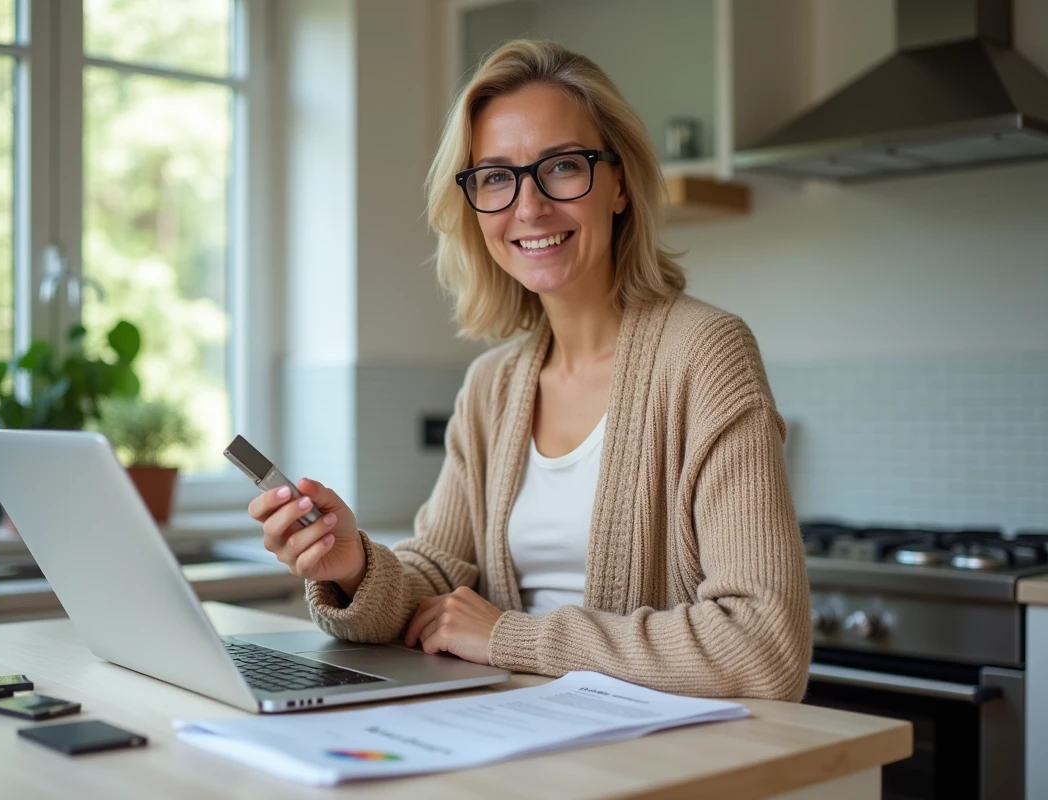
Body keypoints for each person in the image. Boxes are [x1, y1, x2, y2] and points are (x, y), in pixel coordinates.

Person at [249, 40, 811, 701]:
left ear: (620, 183)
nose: (529, 206)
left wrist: (511, 638)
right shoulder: (493, 385)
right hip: (522, 739)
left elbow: (765, 645)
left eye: (563, 167)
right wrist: (352, 566)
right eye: (494, 177)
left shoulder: (706, 353)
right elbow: (439, 579)